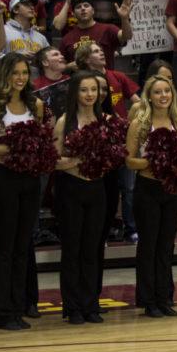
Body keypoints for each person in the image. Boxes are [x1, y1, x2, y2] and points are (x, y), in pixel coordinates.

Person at [125, 75, 177, 318]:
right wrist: (152, 163)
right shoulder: (140, 123)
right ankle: (148, 299)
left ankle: (164, 298)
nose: (163, 96)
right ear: (149, 97)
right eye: (157, 92)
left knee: (166, 245)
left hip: (174, 190)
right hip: (148, 189)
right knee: (148, 245)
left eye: (167, 91)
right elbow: (129, 160)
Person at [0, 53, 47, 330]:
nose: (21, 78)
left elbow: (42, 142)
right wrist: (14, 148)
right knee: (3, 246)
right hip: (1, 179)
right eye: (15, 73)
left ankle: (16, 306)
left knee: (22, 246)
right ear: (5, 75)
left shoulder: (35, 105)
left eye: (25, 72)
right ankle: (0, 310)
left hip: (29, 179)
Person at [52, 71, 110, 325]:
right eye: (84, 90)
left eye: (93, 90)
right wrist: (77, 161)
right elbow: (53, 161)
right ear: (75, 92)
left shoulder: (105, 120)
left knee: (91, 249)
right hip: (70, 189)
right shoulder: (65, 122)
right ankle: (72, 306)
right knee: (72, 249)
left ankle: (91, 304)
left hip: (97, 189)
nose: (89, 95)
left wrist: (101, 162)